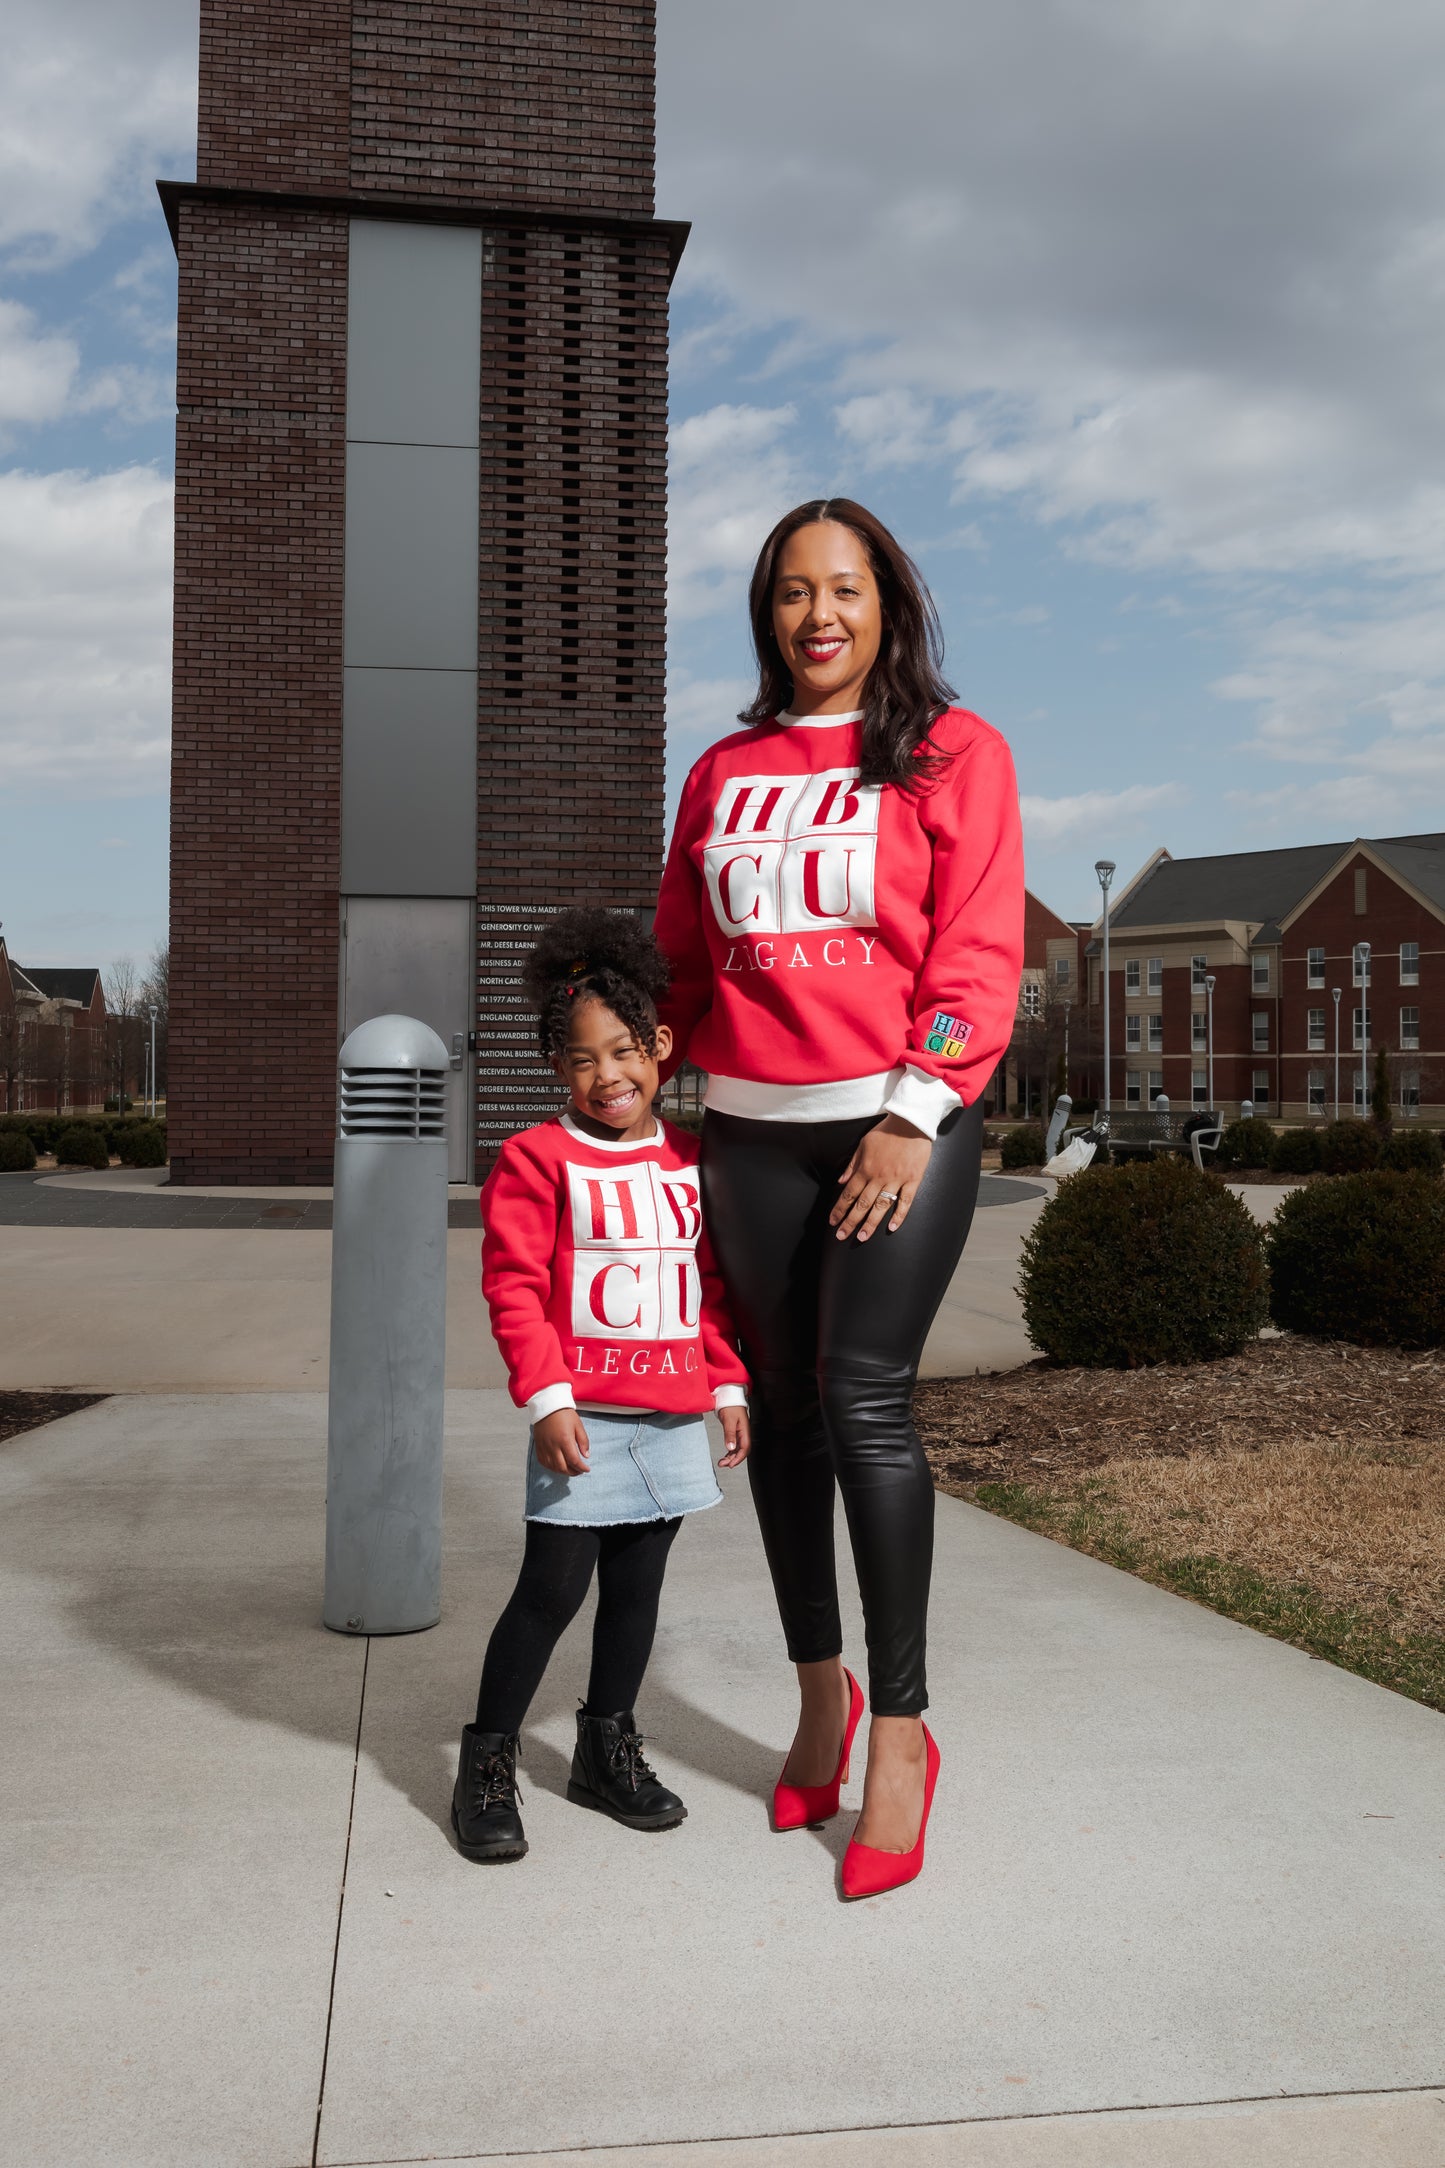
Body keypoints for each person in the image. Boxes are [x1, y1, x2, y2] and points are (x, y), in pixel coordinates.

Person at [653, 499, 1023, 1898]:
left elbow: (979, 953)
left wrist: (911, 1113)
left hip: (894, 1134)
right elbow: (681, 964)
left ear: (889, 606)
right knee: (785, 1417)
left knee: (863, 1403)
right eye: (795, 593)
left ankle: (906, 1734)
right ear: (767, 614)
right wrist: (629, 1070)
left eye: (847, 590)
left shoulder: (950, 752)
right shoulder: (725, 768)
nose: (820, 616)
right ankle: (823, 1693)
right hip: (745, 1136)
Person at [453, 909, 751, 1864]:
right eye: (581, 1060)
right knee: (549, 1591)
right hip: (582, 1418)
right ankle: (488, 1760)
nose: (607, 1076)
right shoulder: (537, 1160)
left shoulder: (689, 1162)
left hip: (669, 1415)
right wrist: (547, 1399)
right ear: (556, 1070)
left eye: (623, 1052)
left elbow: (704, 1291)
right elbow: (515, 1287)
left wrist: (728, 1385)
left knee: (637, 1593)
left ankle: (602, 1748)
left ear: (660, 1047)